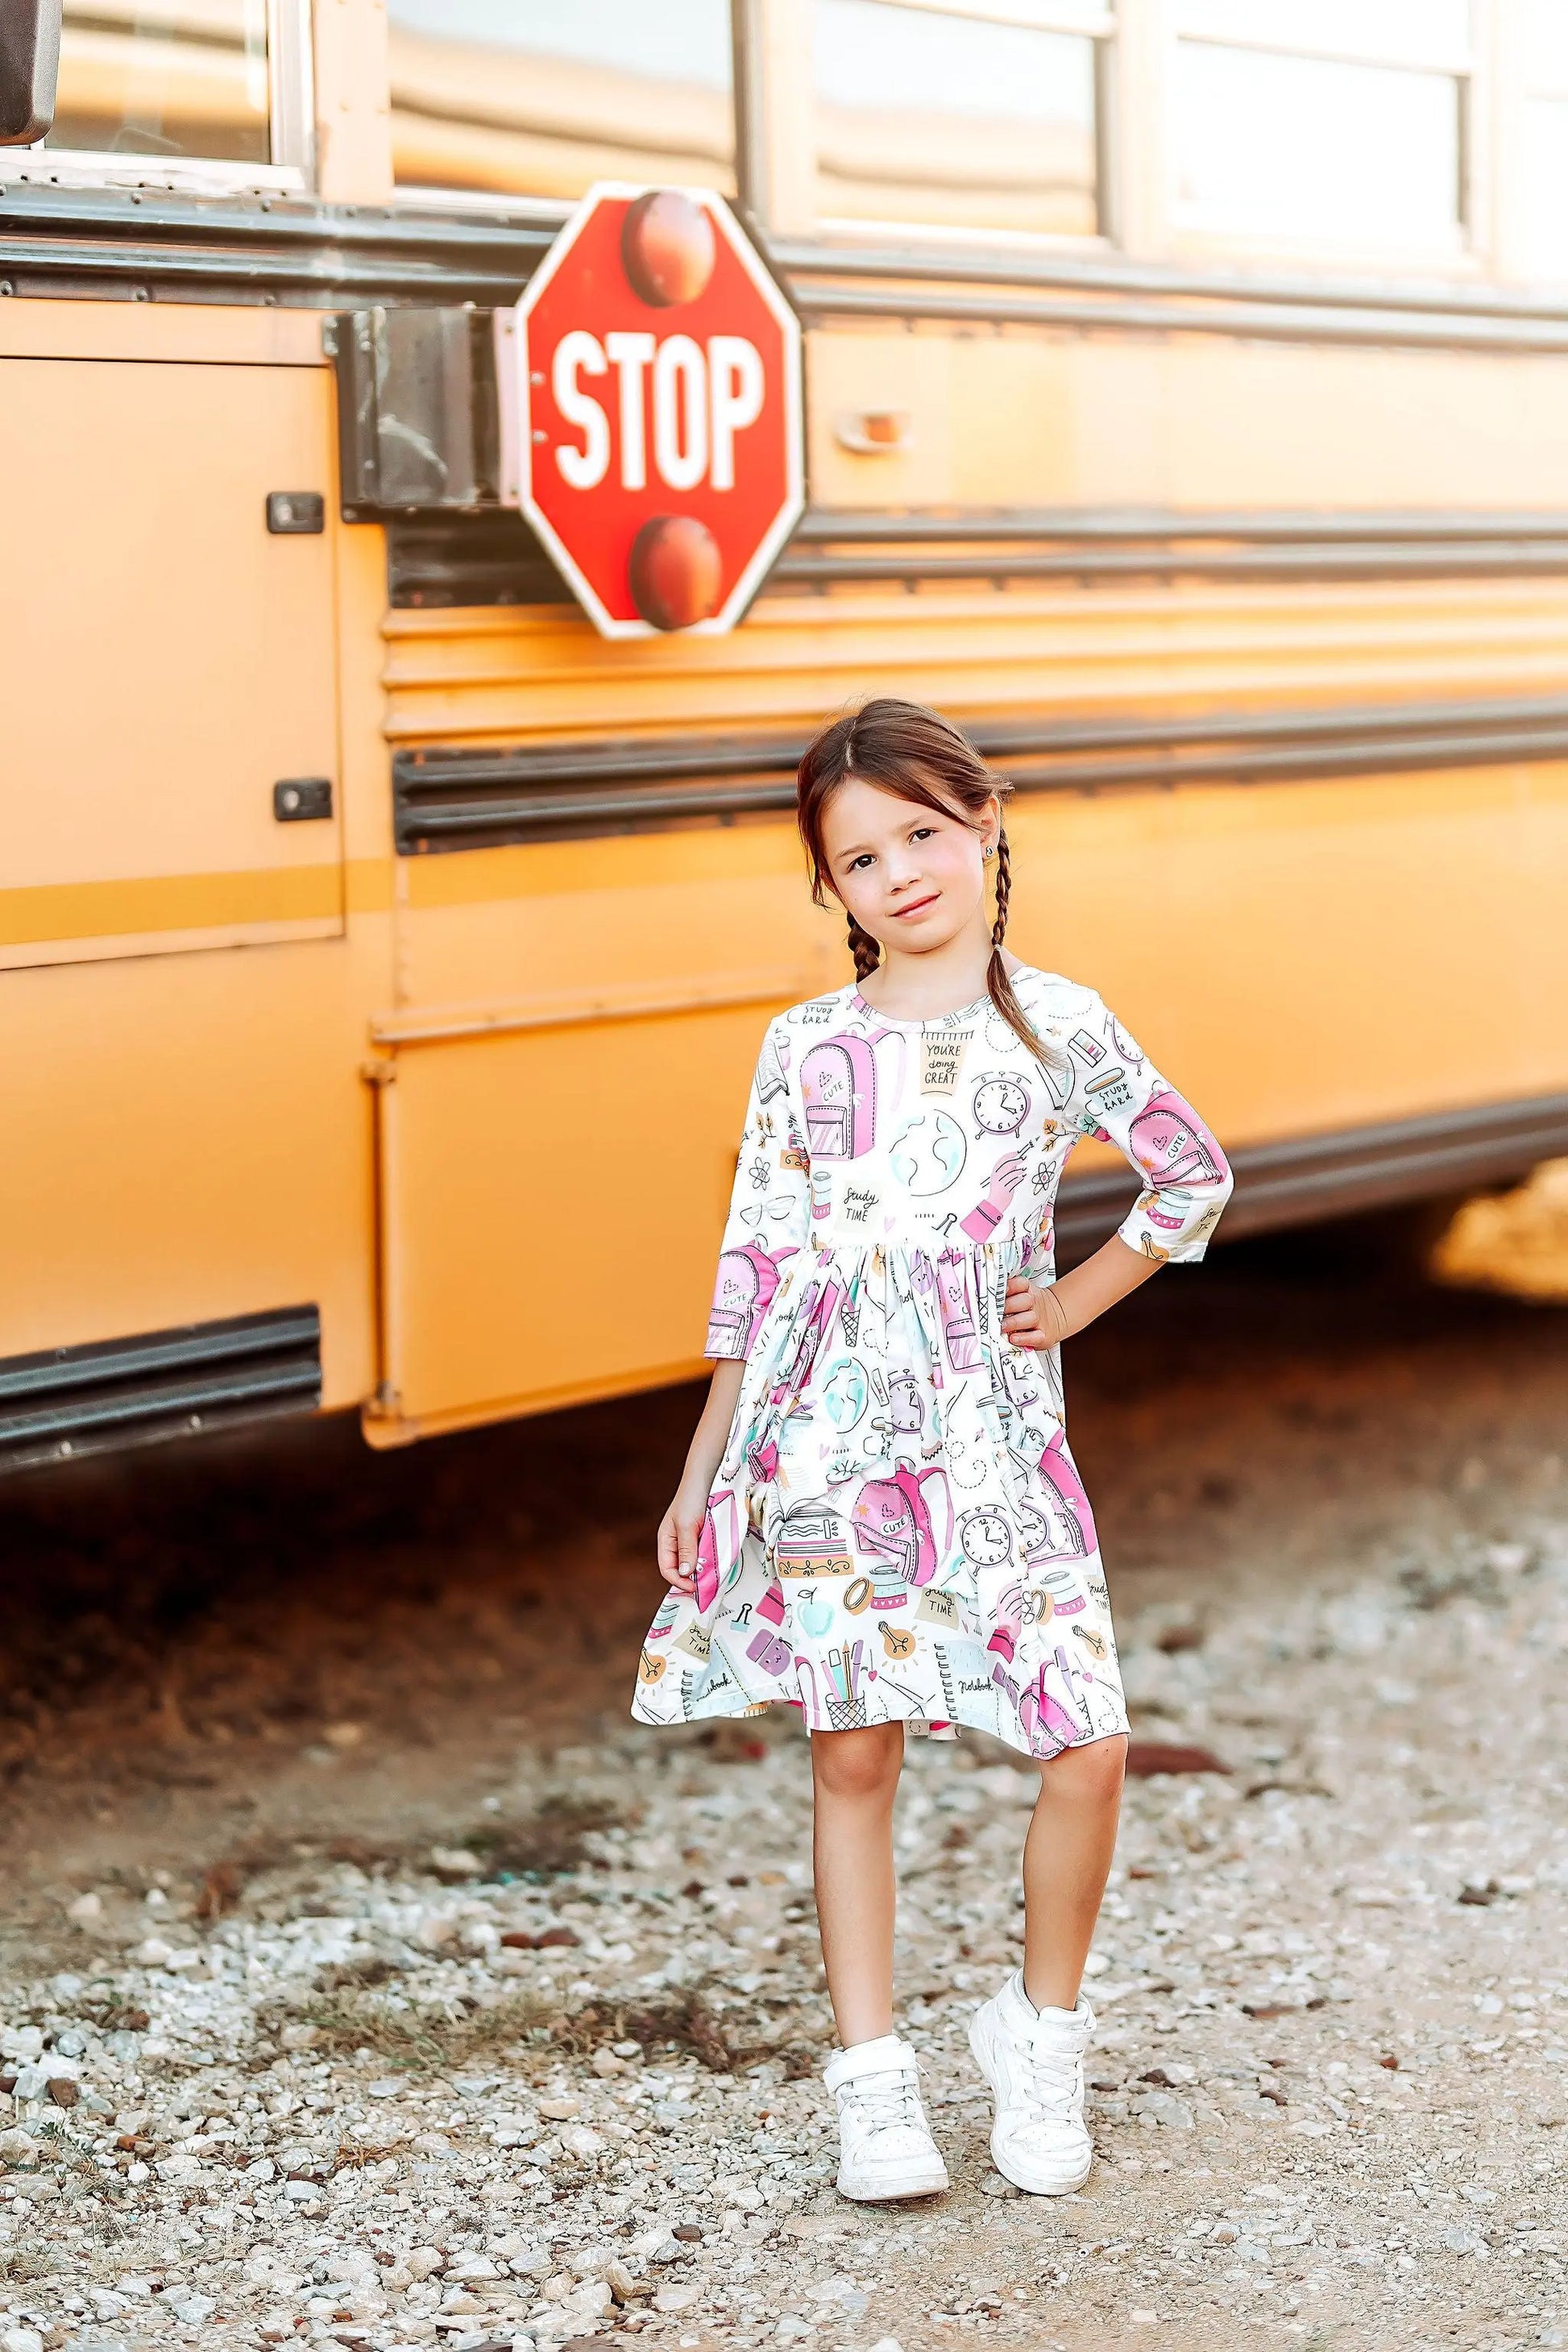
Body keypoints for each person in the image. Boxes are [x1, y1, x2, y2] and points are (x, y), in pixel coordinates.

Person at [633, 699, 1233, 2203]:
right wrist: (704, 1473)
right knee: (853, 1745)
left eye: (921, 831)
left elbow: (1187, 1171)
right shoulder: (803, 1048)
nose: (900, 871)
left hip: (993, 1434)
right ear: (829, 892)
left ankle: (1038, 2036)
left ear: (983, 826)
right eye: (859, 856)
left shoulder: (1061, 1024)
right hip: (823, 1440)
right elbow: (756, 1266)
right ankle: (873, 2079)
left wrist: (1074, 1304)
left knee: (1085, 1743)